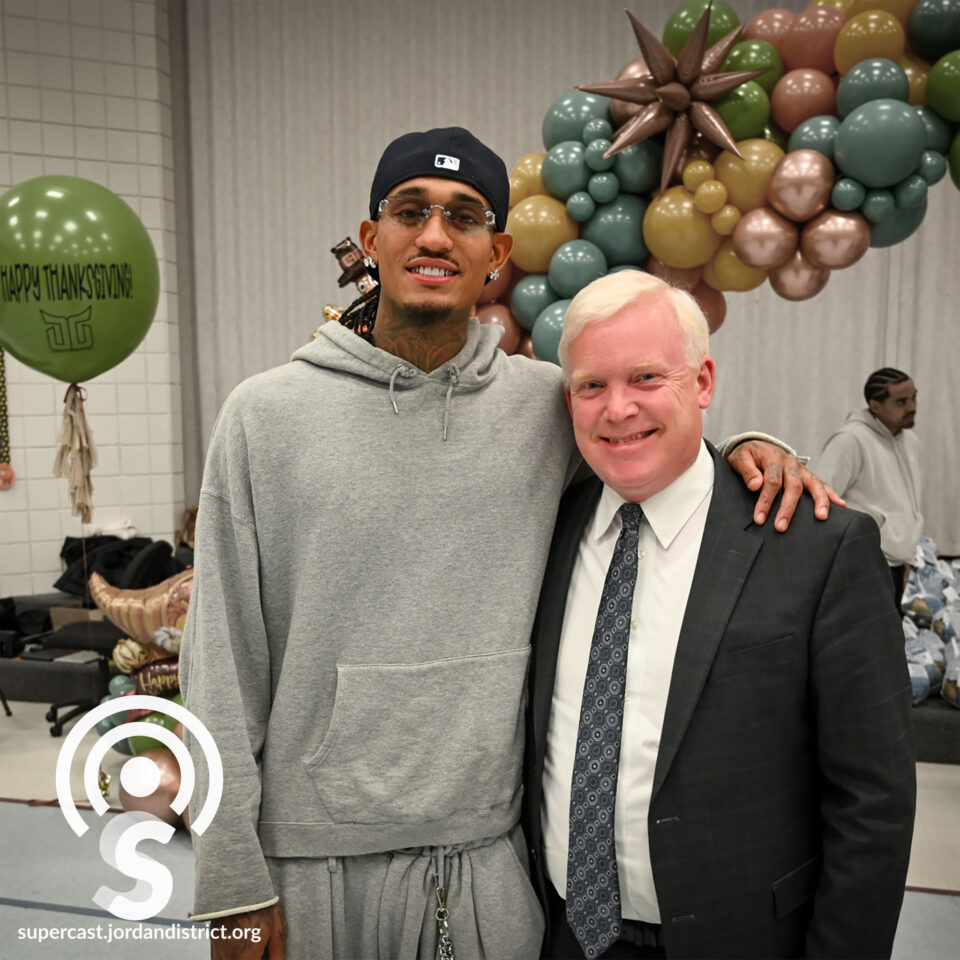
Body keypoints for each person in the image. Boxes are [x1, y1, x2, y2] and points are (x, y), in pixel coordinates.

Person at [180, 127, 836, 960]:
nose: (432, 235)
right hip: (310, 867)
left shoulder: (544, 409)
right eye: (410, 211)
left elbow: (644, 439)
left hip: (490, 866)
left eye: (462, 217)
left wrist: (748, 448)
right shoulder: (263, 417)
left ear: (495, 252)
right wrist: (231, 884)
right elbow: (219, 666)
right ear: (372, 238)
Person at [523, 272, 916, 960]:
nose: (617, 409)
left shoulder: (818, 548)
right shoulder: (544, 530)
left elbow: (872, 805)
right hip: (559, 937)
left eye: (646, 377)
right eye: (591, 385)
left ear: (702, 382)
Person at [813, 367, 921, 604]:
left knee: (890, 640)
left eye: (913, 397)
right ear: (875, 406)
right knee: (868, 640)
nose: (912, 407)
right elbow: (818, 501)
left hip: (897, 565)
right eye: (901, 401)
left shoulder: (909, 441)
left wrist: (908, 555)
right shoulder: (850, 440)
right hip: (864, 566)